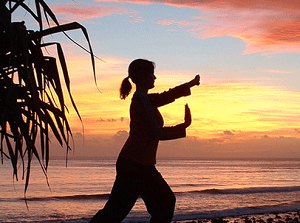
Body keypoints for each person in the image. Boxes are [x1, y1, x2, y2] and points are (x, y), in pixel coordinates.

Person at [90, 59, 200, 223]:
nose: (155, 78)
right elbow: (157, 133)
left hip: (142, 165)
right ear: (143, 77)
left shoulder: (146, 99)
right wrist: (183, 126)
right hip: (134, 166)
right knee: (115, 213)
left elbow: (167, 95)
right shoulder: (141, 100)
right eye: (152, 74)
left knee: (164, 203)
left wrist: (189, 84)